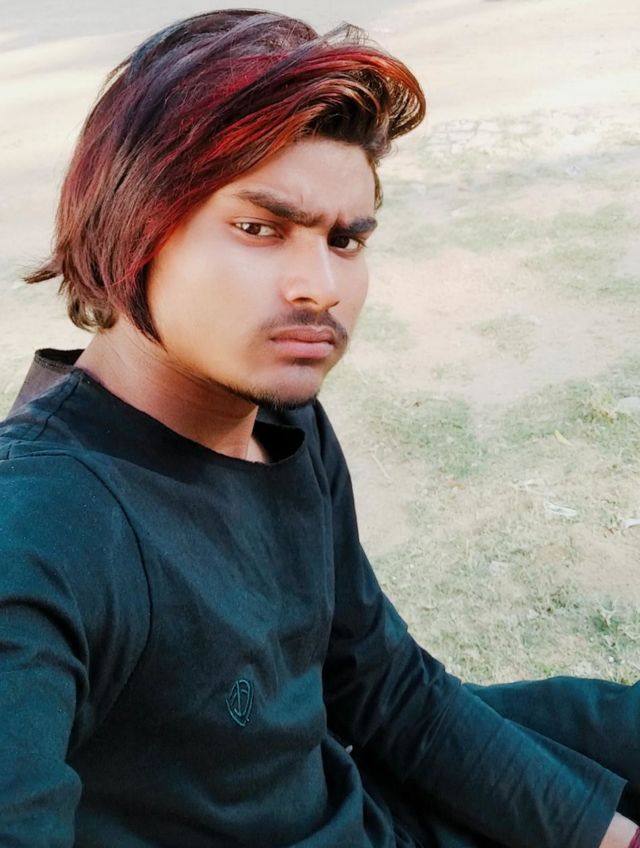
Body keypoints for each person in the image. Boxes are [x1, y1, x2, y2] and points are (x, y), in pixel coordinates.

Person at [0, 9, 638, 848]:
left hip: (362, 795)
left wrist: (604, 835)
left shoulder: (280, 419)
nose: (320, 286)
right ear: (133, 227)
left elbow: (384, 685)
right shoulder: (40, 530)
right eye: (259, 228)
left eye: (345, 239)